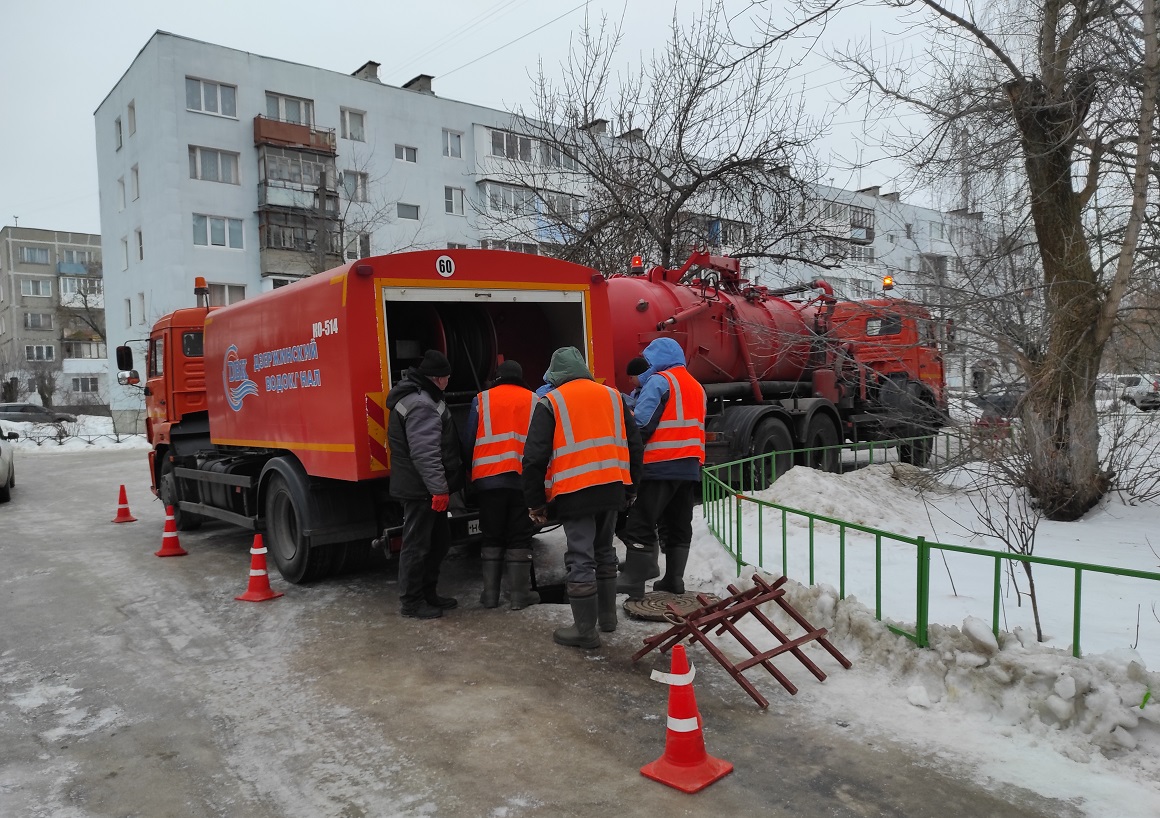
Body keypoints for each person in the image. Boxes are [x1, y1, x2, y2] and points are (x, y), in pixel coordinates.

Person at [522, 347, 643, 648]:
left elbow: (534, 458)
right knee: (604, 552)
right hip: (613, 487)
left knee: (580, 558)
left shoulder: (551, 402)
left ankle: (585, 631)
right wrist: (631, 488)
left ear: (554, 375)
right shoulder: (614, 397)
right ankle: (607, 619)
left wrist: (536, 503)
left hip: (575, 493)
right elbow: (635, 445)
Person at [617, 337, 706, 599]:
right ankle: (673, 580)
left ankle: (633, 579)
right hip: (689, 466)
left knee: (641, 521)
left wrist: (626, 414)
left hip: (659, 464)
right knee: (678, 523)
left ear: (657, 359)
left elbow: (643, 425)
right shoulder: (695, 385)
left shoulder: (660, 381)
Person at [386, 349, 464, 619]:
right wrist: (439, 490)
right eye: (447, 377)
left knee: (438, 542)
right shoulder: (421, 403)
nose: (448, 381)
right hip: (421, 489)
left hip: (423, 487)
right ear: (438, 378)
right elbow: (425, 452)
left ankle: (428, 593)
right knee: (417, 545)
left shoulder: (423, 397)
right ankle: (411, 603)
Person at [462, 359, 540, 610]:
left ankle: (491, 595)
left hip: (488, 480)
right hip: (523, 480)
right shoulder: (534, 400)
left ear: (497, 377)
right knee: (519, 535)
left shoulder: (481, 400)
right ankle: (520, 596)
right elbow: (542, 442)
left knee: (492, 534)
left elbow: (469, 438)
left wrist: (469, 469)